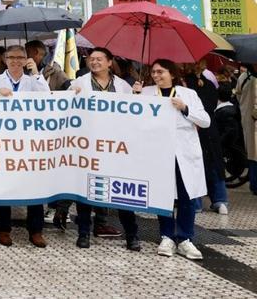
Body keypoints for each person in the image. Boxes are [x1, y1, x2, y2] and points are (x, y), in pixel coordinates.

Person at [69, 47, 141, 251]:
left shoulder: (123, 86)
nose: (94, 62)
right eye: (91, 59)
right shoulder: (79, 84)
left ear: (110, 62)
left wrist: (137, 95)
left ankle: (132, 235)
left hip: (116, 146)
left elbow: (134, 114)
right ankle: (84, 233)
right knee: (85, 192)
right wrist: (71, 97)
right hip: (88, 145)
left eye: (99, 59)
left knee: (121, 192)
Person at [140, 59, 210, 260]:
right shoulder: (146, 93)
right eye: (153, 72)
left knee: (187, 196)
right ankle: (167, 236)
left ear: (172, 73)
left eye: (160, 72)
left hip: (184, 153)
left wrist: (185, 108)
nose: (156, 76)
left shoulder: (188, 94)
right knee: (163, 195)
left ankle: (186, 239)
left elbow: (205, 121)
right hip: (159, 152)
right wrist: (134, 96)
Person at [0, 44, 47, 247]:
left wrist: (36, 73)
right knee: (5, 187)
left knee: (35, 187)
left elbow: (47, 100)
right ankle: (3, 229)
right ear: (5, 59)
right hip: (4, 142)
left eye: (20, 57)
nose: (15, 61)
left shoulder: (33, 81)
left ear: (26, 59)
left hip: (30, 142)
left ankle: (35, 231)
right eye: (11, 57)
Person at [186, 62, 228, 215]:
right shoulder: (210, 84)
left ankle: (196, 203)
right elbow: (213, 106)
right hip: (210, 129)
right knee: (215, 165)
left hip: (193, 129)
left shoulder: (184, 85)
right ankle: (220, 201)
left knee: (195, 165)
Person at [238, 63, 257, 195]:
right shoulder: (248, 78)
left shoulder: (244, 77)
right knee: (253, 153)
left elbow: (238, 94)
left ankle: (254, 184)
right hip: (251, 120)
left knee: (252, 152)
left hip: (247, 118)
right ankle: (255, 184)